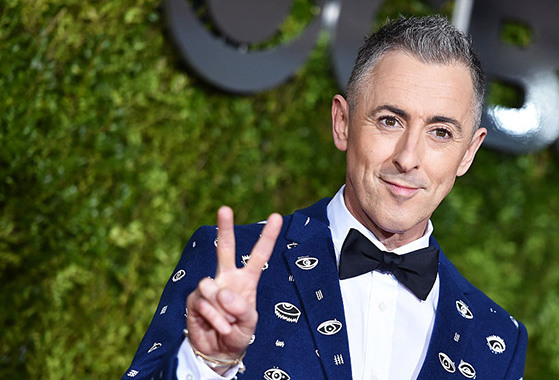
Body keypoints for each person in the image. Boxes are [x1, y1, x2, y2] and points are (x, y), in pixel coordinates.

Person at [123, 15, 527, 380]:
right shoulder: (227, 263)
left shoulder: (498, 340)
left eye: (440, 132)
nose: (408, 158)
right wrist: (208, 365)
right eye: (390, 121)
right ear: (343, 123)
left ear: (468, 153)